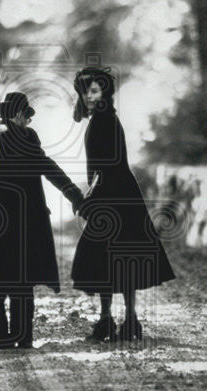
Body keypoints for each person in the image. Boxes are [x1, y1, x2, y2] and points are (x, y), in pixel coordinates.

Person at [0, 91, 84, 351]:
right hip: (25, 222)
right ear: (18, 114)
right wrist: (73, 193)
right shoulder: (24, 135)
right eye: (27, 118)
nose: (28, 123)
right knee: (21, 280)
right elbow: (47, 166)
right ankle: (22, 337)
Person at [71, 67, 176, 341]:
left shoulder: (105, 120)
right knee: (110, 256)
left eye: (94, 90)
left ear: (104, 91)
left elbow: (108, 163)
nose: (89, 97)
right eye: (85, 92)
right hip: (114, 191)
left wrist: (90, 196)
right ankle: (119, 319)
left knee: (112, 254)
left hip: (114, 193)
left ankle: (121, 319)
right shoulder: (101, 119)